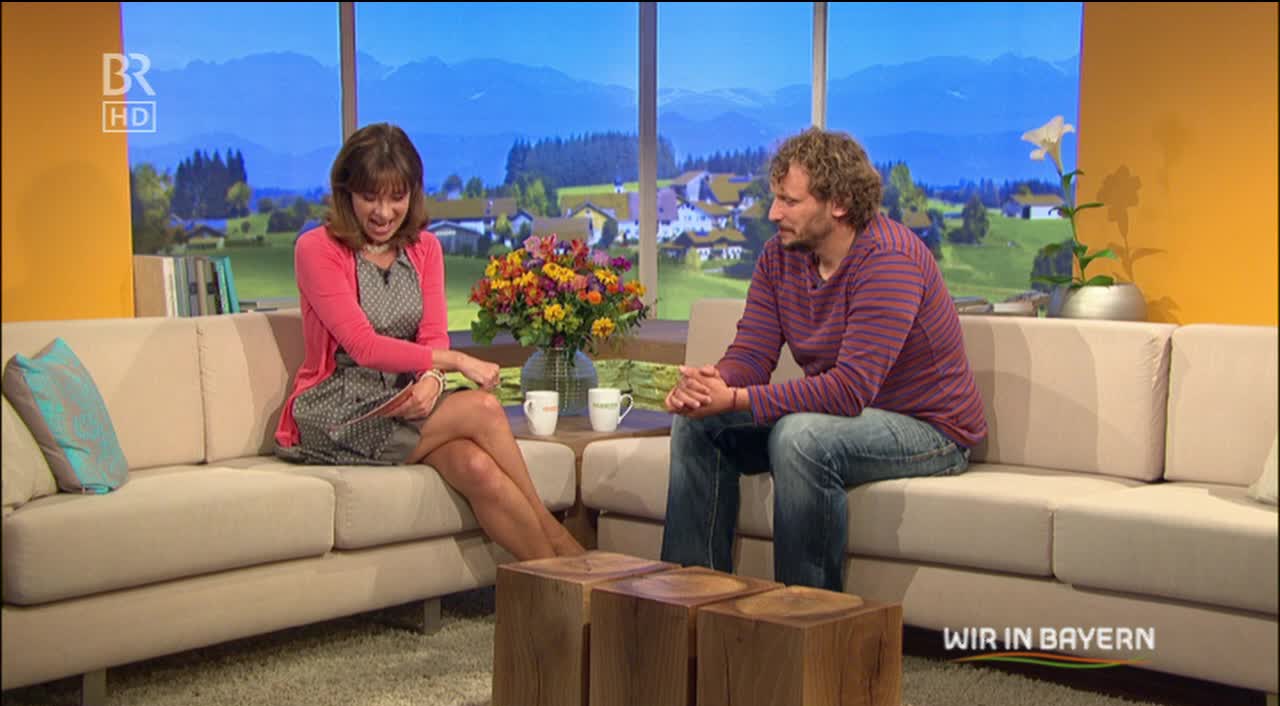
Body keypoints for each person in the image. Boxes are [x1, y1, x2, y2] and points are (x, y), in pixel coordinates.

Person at [659, 127, 987, 591]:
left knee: (801, 437)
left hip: (929, 428)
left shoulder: (890, 260)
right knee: (697, 423)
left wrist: (735, 398)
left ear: (839, 203)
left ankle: (805, 614)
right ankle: (694, 600)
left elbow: (850, 390)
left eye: (789, 201)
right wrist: (712, 384)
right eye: (775, 199)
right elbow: (752, 352)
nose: (774, 213)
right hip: (848, 417)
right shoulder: (780, 256)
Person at [273, 122, 585, 560]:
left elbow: (432, 333)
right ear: (346, 193)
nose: (384, 212)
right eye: (370, 197)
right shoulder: (317, 248)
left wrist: (432, 381)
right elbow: (363, 346)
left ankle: (556, 584)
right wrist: (454, 363)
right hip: (338, 409)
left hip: (408, 402)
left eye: (396, 197)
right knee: (483, 408)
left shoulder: (425, 249)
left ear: (413, 194)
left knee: (476, 467)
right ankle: (562, 542)